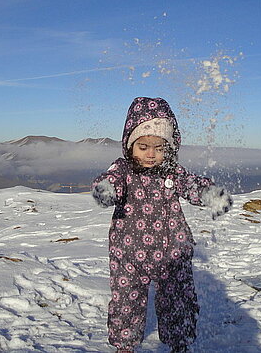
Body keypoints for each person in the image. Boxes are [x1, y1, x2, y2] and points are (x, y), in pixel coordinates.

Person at [92, 97, 233, 352]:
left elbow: (192, 184)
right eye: (143, 146)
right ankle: (125, 344)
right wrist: (107, 190)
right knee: (127, 301)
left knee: (178, 299)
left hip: (172, 252)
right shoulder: (123, 169)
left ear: (169, 147)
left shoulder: (171, 171)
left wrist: (211, 194)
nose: (151, 154)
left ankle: (180, 343)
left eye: (159, 147)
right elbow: (112, 179)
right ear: (130, 144)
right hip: (128, 252)